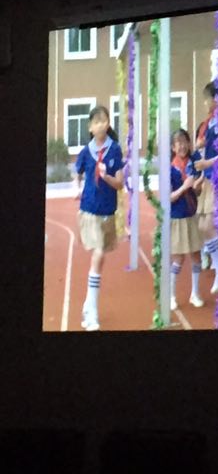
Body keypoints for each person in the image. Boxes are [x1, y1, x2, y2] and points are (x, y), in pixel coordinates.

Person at [73, 106, 125, 331]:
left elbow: (120, 184)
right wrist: (76, 188)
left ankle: (88, 304)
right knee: (99, 253)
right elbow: (78, 172)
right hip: (89, 209)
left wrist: (106, 177)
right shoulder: (86, 151)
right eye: (96, 121)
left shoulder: (115, 150)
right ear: (90, 127)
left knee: (100, 256)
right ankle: (92, 310)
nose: (100, 124)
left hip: (107, 211)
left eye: (104, 120)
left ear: (109, 124)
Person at [193, 81, 218, 294]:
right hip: (208, 179)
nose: (205, 103)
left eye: (207, 99)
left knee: (215, 225)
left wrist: (208, 164)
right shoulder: (210, 122)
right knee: (203, 225)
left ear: (216, 99)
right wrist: (201, 175)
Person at [168, 129, 205, 311]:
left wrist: (197, 186)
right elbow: (168, 198)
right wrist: (184, 187)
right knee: (178, 259)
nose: (182, 146)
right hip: (177, 218)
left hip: (192, 215)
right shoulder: (170, 169)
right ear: (173, 147)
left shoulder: (193, 164)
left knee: (196, 256)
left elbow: (196, 191)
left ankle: (195, 293)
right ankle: (171, 295)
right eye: (178, 143)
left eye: (185, 142)